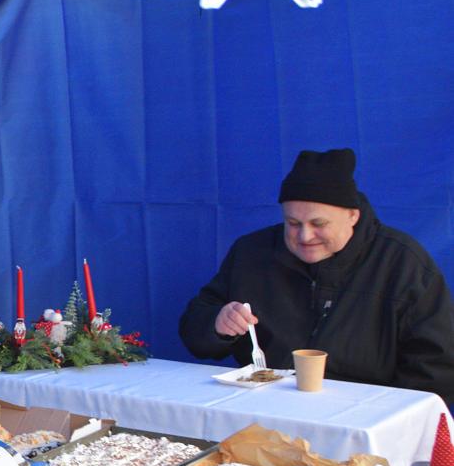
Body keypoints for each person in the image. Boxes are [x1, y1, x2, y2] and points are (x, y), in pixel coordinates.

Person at [180, 147, 454, 403]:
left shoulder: (402, 263)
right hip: (266, 405)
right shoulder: (251, 253)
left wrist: (390, 414)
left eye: (318, 223)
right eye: (293, 223)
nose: (305, 236)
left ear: (353, 216)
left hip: (366, 412)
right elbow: (195, 330)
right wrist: (218, 324)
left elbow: (436, 364)